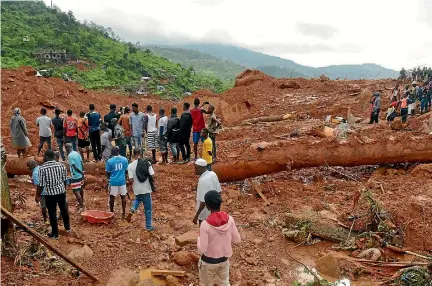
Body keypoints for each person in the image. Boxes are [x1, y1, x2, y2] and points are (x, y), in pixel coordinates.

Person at [197, 190, 241, 286]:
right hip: (224, 261)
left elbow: (202, 249)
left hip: (208, 262)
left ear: (207, 206)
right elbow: (237, 240)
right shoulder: (230, 219)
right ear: (220, 203)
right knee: (224, 282)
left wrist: (199, 238)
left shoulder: (205, 224)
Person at [36, 150, 70, 239]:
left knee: (52, 213)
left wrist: (38, 195)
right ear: (54, 156)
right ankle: (67, 228)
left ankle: (55, 234)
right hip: (61, 192)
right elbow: (65, 180)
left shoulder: (42, 168)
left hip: (50, 194)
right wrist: (64, 189)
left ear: (46, 157)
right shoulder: (61, 166)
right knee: (64, 210)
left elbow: (41, 185)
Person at [125, 149, 155, 231]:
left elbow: (131, 181)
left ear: (133, 154)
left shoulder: (130, 166)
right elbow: (152, 175)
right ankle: (148, 226)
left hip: (137, 188)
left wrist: (126, 183)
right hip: (146, 188)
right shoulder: (147, 163)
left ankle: (132, 210)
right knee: (148, 209)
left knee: (138, 199)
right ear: (141, 154)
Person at [193, 158, 222, 225]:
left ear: (202, 167)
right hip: (214, 210)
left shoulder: (202, 181)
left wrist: (197, 215)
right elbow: (219, 192)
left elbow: (203, 201)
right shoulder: (213, 174)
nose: (195, 170)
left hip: (204, 213)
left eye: (197, 168)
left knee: (204, 231)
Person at [105, 146, 129, 219]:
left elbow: (108, 173)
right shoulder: (125, 159)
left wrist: (108, 179)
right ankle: (123, 213)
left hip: (113, 181)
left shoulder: (109, 161)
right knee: (123, 196)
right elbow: (126, 171)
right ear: (119, 151)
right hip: (122, 181)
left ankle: (111, 213)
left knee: (112, 197)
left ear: (112, 152)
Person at [65, 143, 85, 213]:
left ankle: (82, 206)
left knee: (75, 191)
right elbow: (82, 163)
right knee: (81, 188)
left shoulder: (70, 156)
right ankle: (82, 202)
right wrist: (82, 172)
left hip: (75, 176)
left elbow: (74, 167)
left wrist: (80, 172)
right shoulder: (77, 153)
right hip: (80, 175)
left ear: (66, 149)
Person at [28, 160, 48, 224]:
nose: (28, 168)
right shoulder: (41, 168)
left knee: (43, 206)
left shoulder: (35, 173)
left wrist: (37, 196)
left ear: (31, 167)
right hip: (50, 189)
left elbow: (39, 185)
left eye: (28, 167)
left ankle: (45, 220)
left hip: (43, 192)